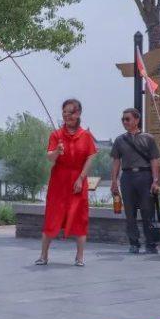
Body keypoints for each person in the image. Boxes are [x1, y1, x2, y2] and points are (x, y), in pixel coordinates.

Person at [38, 98, 96, 267]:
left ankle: (80, 257)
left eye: (71, 112)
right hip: (59, 181)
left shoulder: (86, 136)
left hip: (78, 180)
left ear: (78, 114)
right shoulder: (56, 135)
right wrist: (57, 151)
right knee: (52, 215)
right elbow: (50, 157)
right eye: (64, 112)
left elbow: (91, 157)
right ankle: (43, 256)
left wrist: (81, 178)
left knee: (80, 217)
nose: (67, 116)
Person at [110, 108, 160, 254]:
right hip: (127, 177)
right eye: (123, 119)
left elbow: (154, 160)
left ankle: (150, 244)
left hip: (145, 176)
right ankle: (134, 243)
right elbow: (116, 162)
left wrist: (155, 180)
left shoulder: (148, 138)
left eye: (127, 119)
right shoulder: (119, 140)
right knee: (130, 212)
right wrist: (114, 181)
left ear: (137, 120)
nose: (125, 122)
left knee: (147, 211)